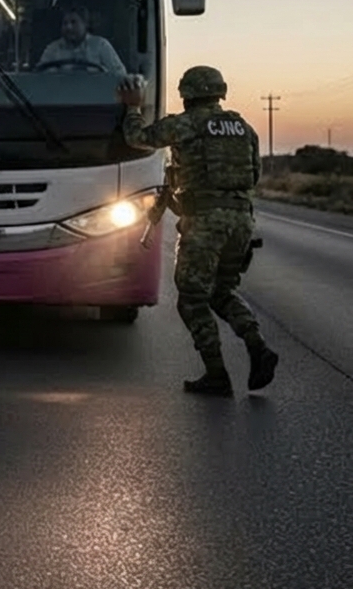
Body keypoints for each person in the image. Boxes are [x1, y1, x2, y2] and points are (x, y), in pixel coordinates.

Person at [118, 65, 278, 396]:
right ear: (220, 91)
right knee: (222, 291)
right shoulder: (243, 128)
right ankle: (257, 345)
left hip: (206, 222)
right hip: (241, 219)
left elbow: (138, 138)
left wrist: (133, 107)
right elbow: (255, 175)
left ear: (187, 94)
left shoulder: (186, 123)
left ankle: (216, 374)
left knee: (192, 298)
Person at [37, 7, 126, 74]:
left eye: (73, 22)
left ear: (85, 24)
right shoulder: (52, 49)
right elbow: (40, 77)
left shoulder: (101, 46)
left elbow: (119, 74)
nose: (69, 27)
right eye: (65, 23)